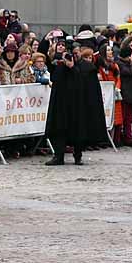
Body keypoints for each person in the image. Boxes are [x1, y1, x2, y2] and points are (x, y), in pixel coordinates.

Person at [44, 34, 105, 166]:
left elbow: (84, 84)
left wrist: (72, 67)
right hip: (61, 104)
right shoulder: (60, 65)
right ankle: (58, 156)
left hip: (79, 104)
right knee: (59, 129)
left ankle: (78, 155)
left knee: (78, 130)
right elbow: (55, 79)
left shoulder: (86, 67)